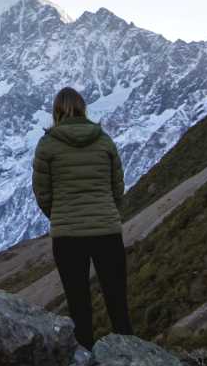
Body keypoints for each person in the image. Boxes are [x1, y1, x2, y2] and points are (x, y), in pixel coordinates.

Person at [32, 86, 133, 350]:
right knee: (117, 300)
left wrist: (60, 215)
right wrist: (107, 212)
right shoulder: (104, 140)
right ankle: (131, 357)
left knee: (78, 304)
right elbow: (117, 187)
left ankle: (84, 358)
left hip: (68, 236)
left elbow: (42, 193)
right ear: (83, 109)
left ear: (56, 112)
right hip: (107, 231)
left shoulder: (47, 145)